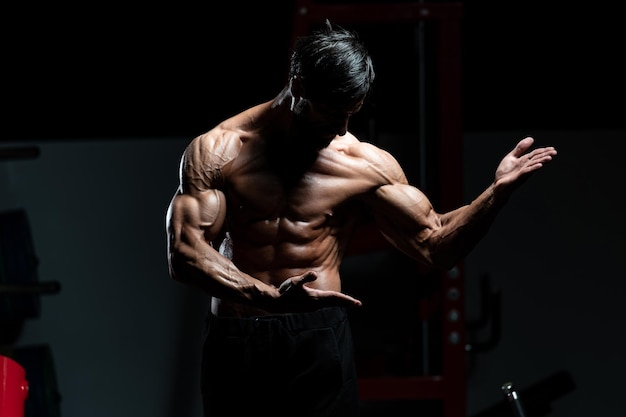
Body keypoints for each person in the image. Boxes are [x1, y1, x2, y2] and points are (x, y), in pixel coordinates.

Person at [165, 20, 556, 417]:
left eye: (351, 114)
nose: (342, 128)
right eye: (332, 113)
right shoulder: (218, 151)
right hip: (237, 334)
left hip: (317, 336)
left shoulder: (363, 165)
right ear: (298, 86)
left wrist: (496, 193)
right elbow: (184, 253)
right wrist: (267, 297)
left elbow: (435, 245)